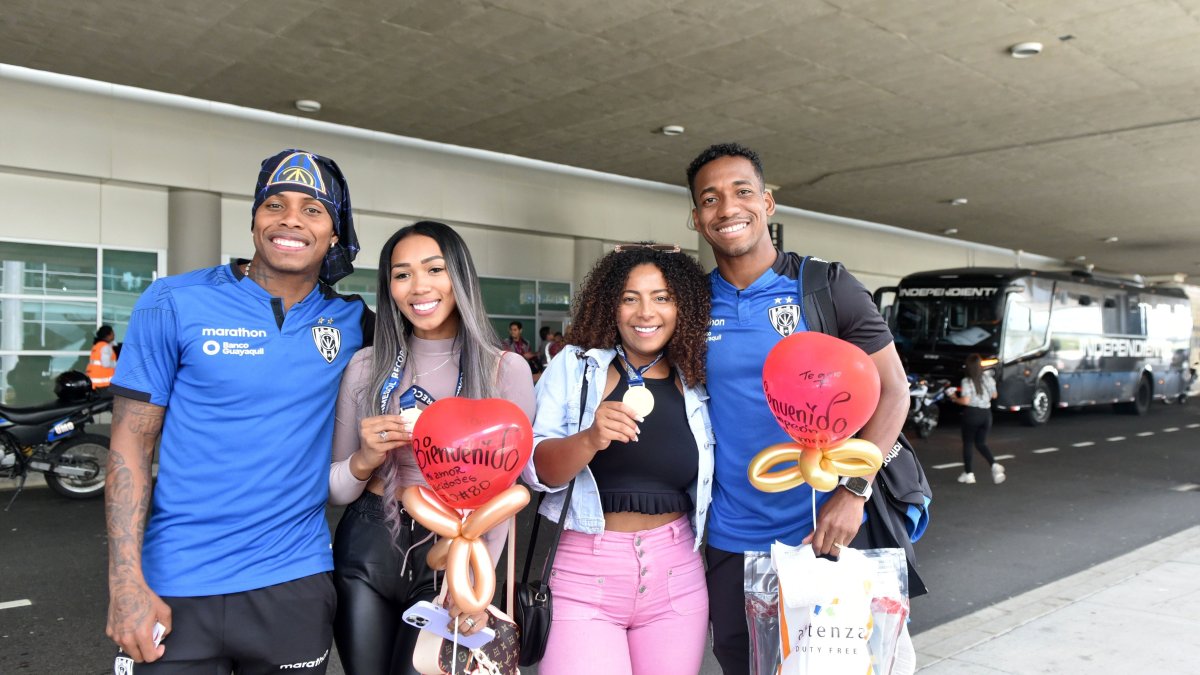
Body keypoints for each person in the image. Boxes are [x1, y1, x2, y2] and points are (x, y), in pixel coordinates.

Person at [104, 149, 371, 673]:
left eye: (313, 209)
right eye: (274, 204)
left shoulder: (354, 321)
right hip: (176, 581)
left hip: (294, 582)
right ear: (254, 221)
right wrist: (124, 581)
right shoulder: (174, 301)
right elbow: (130, 443)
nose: (291, 218)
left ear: (335, 234)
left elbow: (442, 346)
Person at [686, 143, 910, 675]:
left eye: (742, 192)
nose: (728, 208)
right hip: (728, 538)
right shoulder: (691, 303)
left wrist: (853, 493)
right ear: (696, 218)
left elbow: (894, 390)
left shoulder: (823, 286)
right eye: (710, 199)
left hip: (823, 531)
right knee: (743, 665)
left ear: (767, 203)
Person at [327, 220, 535, 675]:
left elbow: (503, 497)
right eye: (401, 274)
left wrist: (476, 587)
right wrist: (365, 458)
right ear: (389, 288)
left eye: (434, 269)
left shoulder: (505, 370)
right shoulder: (366, 367)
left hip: (453, 550)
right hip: (368, 545)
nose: (418, 286)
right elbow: (337, 491)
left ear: (459, 276)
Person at [523, 243, 714, 675]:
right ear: (610, 305)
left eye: (662, 297)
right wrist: (589, 438)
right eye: (630, 298)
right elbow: (536, 471)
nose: (646, 312)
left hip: (677, 576)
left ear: (681, 305)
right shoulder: (573, 368)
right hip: (583, 576)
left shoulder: (699, 375)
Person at [950, 353, 1004, 484]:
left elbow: (966, 401)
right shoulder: (988, 379)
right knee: (981, 443)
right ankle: (994, 465)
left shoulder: (967, 381)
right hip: (986, 415)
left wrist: (954, 397)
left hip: (972, 414)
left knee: (968, 442)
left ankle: (969, 474)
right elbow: (995, 395)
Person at [86, 325, 118, 391]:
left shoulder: (97, 345)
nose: (114, 335)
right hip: (103, 384)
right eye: (112, 333)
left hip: (94, 381)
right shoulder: (105, 347)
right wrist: (118, 364)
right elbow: (106, 364)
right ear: (108, 335)